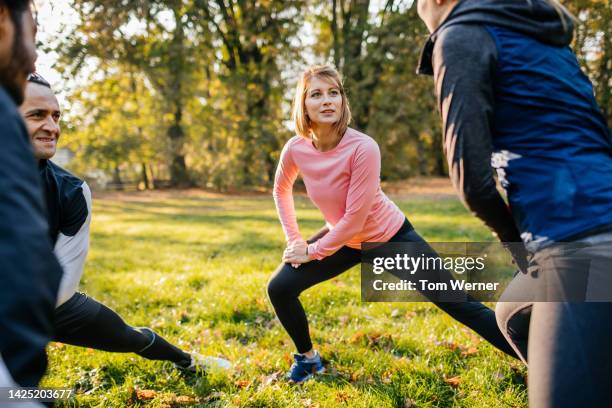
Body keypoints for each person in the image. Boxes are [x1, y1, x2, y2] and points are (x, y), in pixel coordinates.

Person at [267, 65, 518, 384]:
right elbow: (281, 189)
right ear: (303, 105)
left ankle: (542, 361)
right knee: (280, 287)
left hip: (390, 238)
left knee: (461, 306)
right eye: (316, 94)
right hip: (342, 240)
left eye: (334, 93)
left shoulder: (363, 147)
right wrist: (295, 241)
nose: (327, 100)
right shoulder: (296, 149)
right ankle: (308, 360)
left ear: (343, 101)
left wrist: (313, 251)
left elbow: (355, 218)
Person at [415, 0, 612, 406]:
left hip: (579, 238)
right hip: (591, 223)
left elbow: (472, 180)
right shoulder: (542, 35)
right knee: (511, 313)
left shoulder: (459, 36)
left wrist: (513, 242)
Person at [19, 73, 231, 373]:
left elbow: (64, 283)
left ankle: (187, 361)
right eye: (37, 115)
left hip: (48, 301)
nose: (52, 127)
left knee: (128, 337)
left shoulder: (72, 192)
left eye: (56, 116)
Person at [0, 0, 64, 389]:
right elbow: (23, 276)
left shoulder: (71, 189)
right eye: (33, 33)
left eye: (57, 116)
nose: (35, 53)